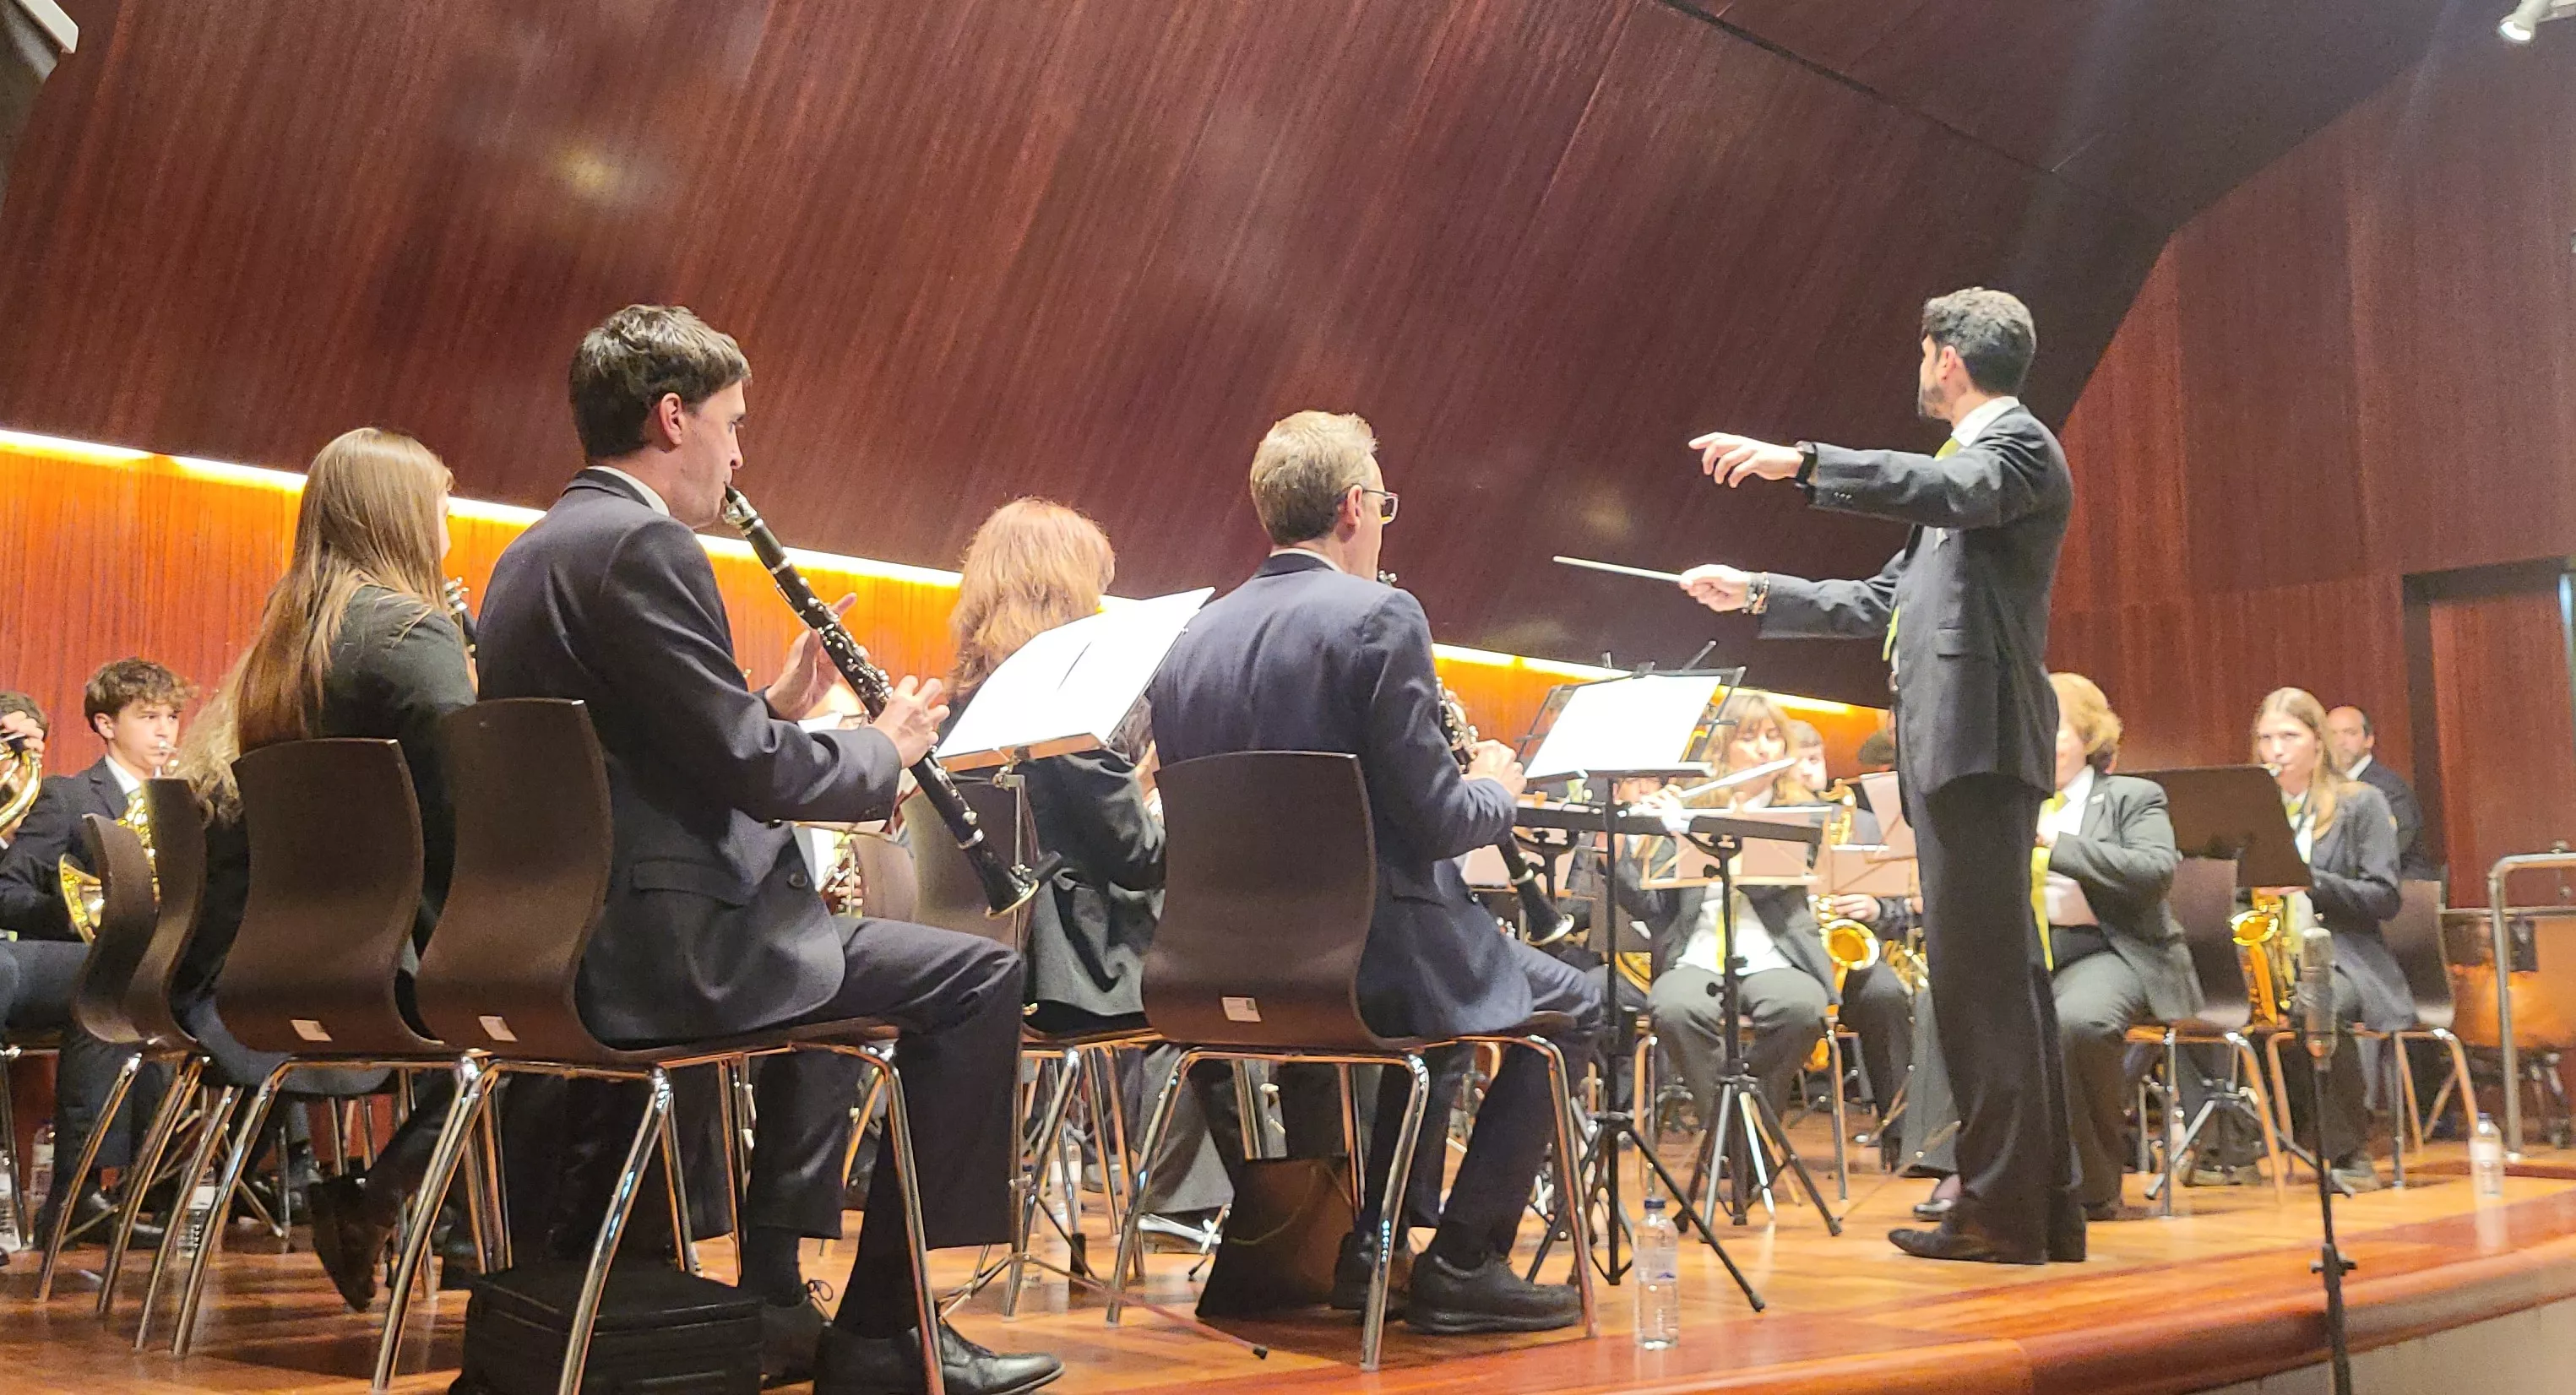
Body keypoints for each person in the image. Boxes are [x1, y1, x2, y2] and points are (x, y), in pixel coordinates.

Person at [476, 304, 1055, 1395]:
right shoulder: (645, 544)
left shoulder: (532, 553)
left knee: (836, 951)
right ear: (672, 418)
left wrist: (772, 705)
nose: (740, 453)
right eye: (733, 423)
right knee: (979, 980)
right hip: (667, 955)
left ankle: (790, 1289)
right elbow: (750, 770)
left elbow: (658, 748)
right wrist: (879, 751)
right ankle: (885, 1335)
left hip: (567, 944)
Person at [1147, 410, 1601, 1334]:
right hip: (1368, 958)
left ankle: (1373, 1249)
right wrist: (1498, 786)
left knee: (1445, 1016)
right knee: (1583, 1001)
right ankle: (1463, 1260)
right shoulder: (1380, 616)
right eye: (1383, 505)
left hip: (1224, 967)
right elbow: (1437, 819)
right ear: (1354, 507)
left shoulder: (1190, 639)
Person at [1676, 286, 2079, 1265]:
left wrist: (1802, 462)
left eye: (1920, 352)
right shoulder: (1964, 481)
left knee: (1985, 986)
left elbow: (1943, 489)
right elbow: (1875, 602)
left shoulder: (2011, 450)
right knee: (1992, 982)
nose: (1918, 367)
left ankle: (2003, 1209)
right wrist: (1757, 591)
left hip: (1978, 746)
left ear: (1946, 358)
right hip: (1956, 746)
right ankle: (2028, 1202)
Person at [168, 428, 481, 1311]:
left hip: (270, 970)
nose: (447, 521)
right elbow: (470, 808)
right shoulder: (411, 632)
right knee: (568, 1002)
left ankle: (448, 1228)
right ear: (403, 516)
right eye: (440, 504)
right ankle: (417, 1214)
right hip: (378, 973)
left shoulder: (284, 647)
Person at [943, 497, 1226, 1216]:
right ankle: (1184, 1209)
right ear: (1064, 591)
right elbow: (1138, 857)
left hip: (988, 957)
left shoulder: (961, 703)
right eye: (1095, 588)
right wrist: (1194, 809)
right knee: (1231, 988)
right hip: (1073, 969)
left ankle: (1179, 1199)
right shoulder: (1062, 710)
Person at [1882, 674, 2201, 1222]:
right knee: (1945, 1001)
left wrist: (2056, 844)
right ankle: (1964, 1172)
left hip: (2107, 949)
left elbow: (2153, 873)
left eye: (2054, 729)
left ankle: (2091, 1186)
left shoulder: (2131, 797)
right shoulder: (2002, 804)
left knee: (2076, 1022)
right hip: (2019, 946)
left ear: (2089, 736)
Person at [1627, 693, 1910, 1136]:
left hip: (1777, 957)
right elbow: (1651, 906)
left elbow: (1766, 882)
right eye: (1749, 737)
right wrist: (1626, 843)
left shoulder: (1802, 814)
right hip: (1698, 956)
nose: (1764, 749)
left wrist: (1691, 828)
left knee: (1801, 1009)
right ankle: (1742, 1137)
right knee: (1674, 1009)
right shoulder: (1688, 807)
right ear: (1722, 748)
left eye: (1773, 737)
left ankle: (1740, 1130)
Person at [0, 658, 191, 1246]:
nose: (165, 731)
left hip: (154, 966)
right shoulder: (67, 796)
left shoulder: (186, 802)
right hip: (75, 961)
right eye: (148, 717)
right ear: (106, 725)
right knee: (116, 983)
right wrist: (73, 911)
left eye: (172, 717)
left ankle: (151, 1183)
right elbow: (7, 891)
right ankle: (77, 1193)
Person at [2258, 688, 2404, 1193]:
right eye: (2266, 738)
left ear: (2318, 743)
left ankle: (2348, 1152)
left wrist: (2308, 881)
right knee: (2195, 994)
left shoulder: (2360, 803)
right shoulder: (2253, 810)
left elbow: (2384, 896)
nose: (2275, 750)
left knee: (2317, 1006)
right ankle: (2227, 1148)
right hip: (2269, 956)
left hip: (2344, 957)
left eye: (2288, 737)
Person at [2325, 706, 2437, 882]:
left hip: (2399, 886)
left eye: (2349, 733)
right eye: (2332, 734)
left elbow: (2390, 849)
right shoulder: (2322, 786)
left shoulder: (2389, 789)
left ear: (2369, 740)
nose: (2340, 742)